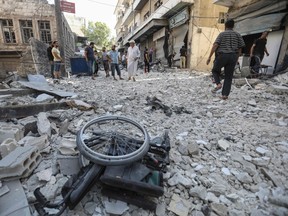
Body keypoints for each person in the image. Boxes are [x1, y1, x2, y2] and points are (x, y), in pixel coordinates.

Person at [206, 19, 245, 100]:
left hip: (222, 56)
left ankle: (218, 84)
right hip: (233, 56)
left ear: (225, 26)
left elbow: (215, 45)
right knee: (228, 76)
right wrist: (237, 58)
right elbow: (240, 47)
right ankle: (225, 95)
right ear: (233, 26)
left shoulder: (222, 34)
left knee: (215, 70)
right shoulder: (238, 35)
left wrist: (209, 57)